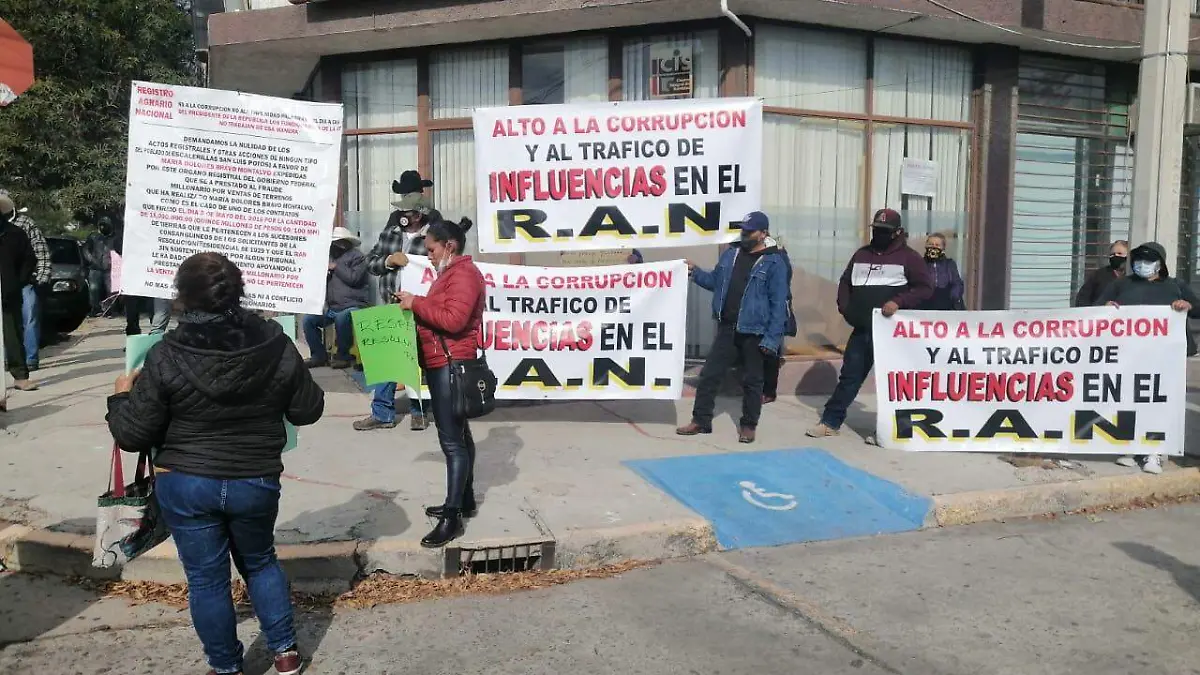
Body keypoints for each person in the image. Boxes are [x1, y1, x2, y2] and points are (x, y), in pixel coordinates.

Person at [105, 252, 324, 675]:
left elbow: (131, 434)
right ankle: (286, 655)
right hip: (253, 477)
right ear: (239, 290)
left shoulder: (164, 354)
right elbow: (307, 410)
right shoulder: (275, 341)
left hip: (186, 483)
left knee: (207, 580)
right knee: (260, 561)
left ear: (182, 298)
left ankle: (226, 668)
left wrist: (119, 396)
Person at [396, 216, 485, 548]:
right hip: (444, 362)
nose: (429, 255)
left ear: (450, 245)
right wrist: (414, 302)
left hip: (451, 364)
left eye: (432, 249)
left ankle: (452, 517)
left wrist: (416, 303)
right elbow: (442, 309)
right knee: (460, 435)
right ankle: (464, 500)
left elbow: (454, 319)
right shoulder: (452, 274)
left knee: (452, 442)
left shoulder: (463, 275)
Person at [808, 208, 932, 438]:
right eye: (877, 230)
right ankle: (830, 422)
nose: (879, 235)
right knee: (850, 376)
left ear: (898, 233)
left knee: (892, 382)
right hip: (863, 329)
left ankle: (889, 431)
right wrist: (845, 308)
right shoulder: (862, 254)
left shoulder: (910, 258)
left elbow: (925, 288)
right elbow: (845, 282)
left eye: (885, 231)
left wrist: (899, 301)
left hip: (893, 333)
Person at [676, 212, 790, 444]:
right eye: (743, 230)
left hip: (755, 331)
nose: (745, 235)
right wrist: (695, 272)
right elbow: (715, 282)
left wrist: (772, 339)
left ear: (763, 233)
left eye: (750, 231)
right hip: (728, 328)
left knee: (752, 381)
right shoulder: (731, 254)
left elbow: (779, 304)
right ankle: (701, 420)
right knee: (709, 375)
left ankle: (748, 425)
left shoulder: (775, 262)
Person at [1096, 241, 1198, 476]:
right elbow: (1095, 307)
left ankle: (1154, 450)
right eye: (1138, 260)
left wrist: (1187, 305)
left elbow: (1198, 309)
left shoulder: (1175, 286)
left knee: (1159, 400)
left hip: (1165, 356)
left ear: (1160, 263)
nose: (1142, 265)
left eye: (1149, 260)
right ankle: (1129, 444)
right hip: (1130, 353)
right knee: (1129, 398)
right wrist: (1106, 307)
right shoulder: (1121, 284)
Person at [357, 170, 435, 432]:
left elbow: (445, 268)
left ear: (421, 211)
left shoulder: (435, 235)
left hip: (422, 308)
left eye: (412, 211)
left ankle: (419, 411)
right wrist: (389, 261)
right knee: (387, 360)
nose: (408, 216)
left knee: (419, 360)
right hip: (391, 305)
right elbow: (370, 262)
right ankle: (382, 413)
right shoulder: (390, 233)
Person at [303, 226, 369, 369]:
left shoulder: (358, 257)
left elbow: (354, 278)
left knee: (342, 318)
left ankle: (343, 355)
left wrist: (336, 267)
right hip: (332, 306)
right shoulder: (329, 257)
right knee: (308, 320)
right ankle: (318, 355)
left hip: (353, 304)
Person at [0, 195, 38, 395]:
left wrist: (18, 282)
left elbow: (29, 259)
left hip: (8, 294)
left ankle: (21, 377)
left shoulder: (15, 234)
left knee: (13, 336)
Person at [7, 197, 50, 371]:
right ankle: (10, 359)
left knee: (30, 319)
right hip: (4, 283)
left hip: (25, 282)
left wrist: (41, 277)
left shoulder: (25, 223)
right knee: (7, 322)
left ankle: (31, 359)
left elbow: (41, 251)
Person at [113, 218, 172, 336]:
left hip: (150, 277)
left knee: (153, 309)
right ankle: (133, 339)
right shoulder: (124, 235)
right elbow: (117, 248)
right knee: (132, 313)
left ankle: (154, 338)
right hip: (132, 278)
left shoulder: (152, 234)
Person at [762, 236, 796, 404]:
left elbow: (783, 284)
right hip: (761, 311)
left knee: (771, 353)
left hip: (774, 311)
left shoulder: (778, 257)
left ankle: (769, 392)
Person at [916, 232, 965, 311]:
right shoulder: (919, 264)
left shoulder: (949, 264)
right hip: (924, 305)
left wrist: (953, 297)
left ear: (943, 248)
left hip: (946, 306)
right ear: (926, 246)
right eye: (931, 244)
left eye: (937, 245)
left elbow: (957, 283)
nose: (934, 247)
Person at [1075, 240, 1129, 308]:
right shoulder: (1099, 276)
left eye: (1119, 253)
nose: (1115, 256)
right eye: (1112, 254)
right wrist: (1101, 307)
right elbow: (1082, 301)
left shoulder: (1134, 278)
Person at [83, 216, 115, 317]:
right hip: (95, 268)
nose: (103, 227)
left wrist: (113, 261)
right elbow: (86, 250)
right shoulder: (93, 236)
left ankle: (109, 310)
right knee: (94, 289)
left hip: (109, 268)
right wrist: (91, 259)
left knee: (111, 290)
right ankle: (95, 309)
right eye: (101, 225)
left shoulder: (114, 237)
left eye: (105, 225)